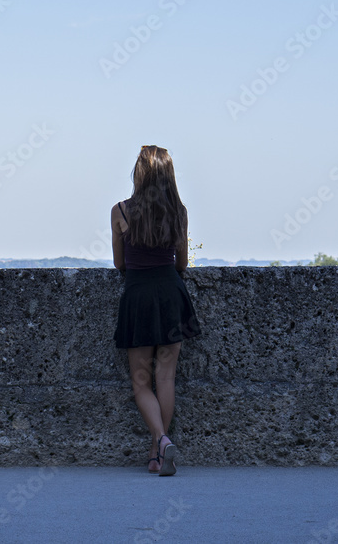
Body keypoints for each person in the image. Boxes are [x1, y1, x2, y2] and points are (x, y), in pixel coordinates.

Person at [111, 145, 201, 476]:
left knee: (140, 382)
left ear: (139, 173)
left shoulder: (120, 211)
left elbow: (120, 263)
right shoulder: (179, 212)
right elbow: (181, 263)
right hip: (172, 296)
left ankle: (160, 442)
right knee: (166, 377)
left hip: (139, 296)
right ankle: (159, 452)